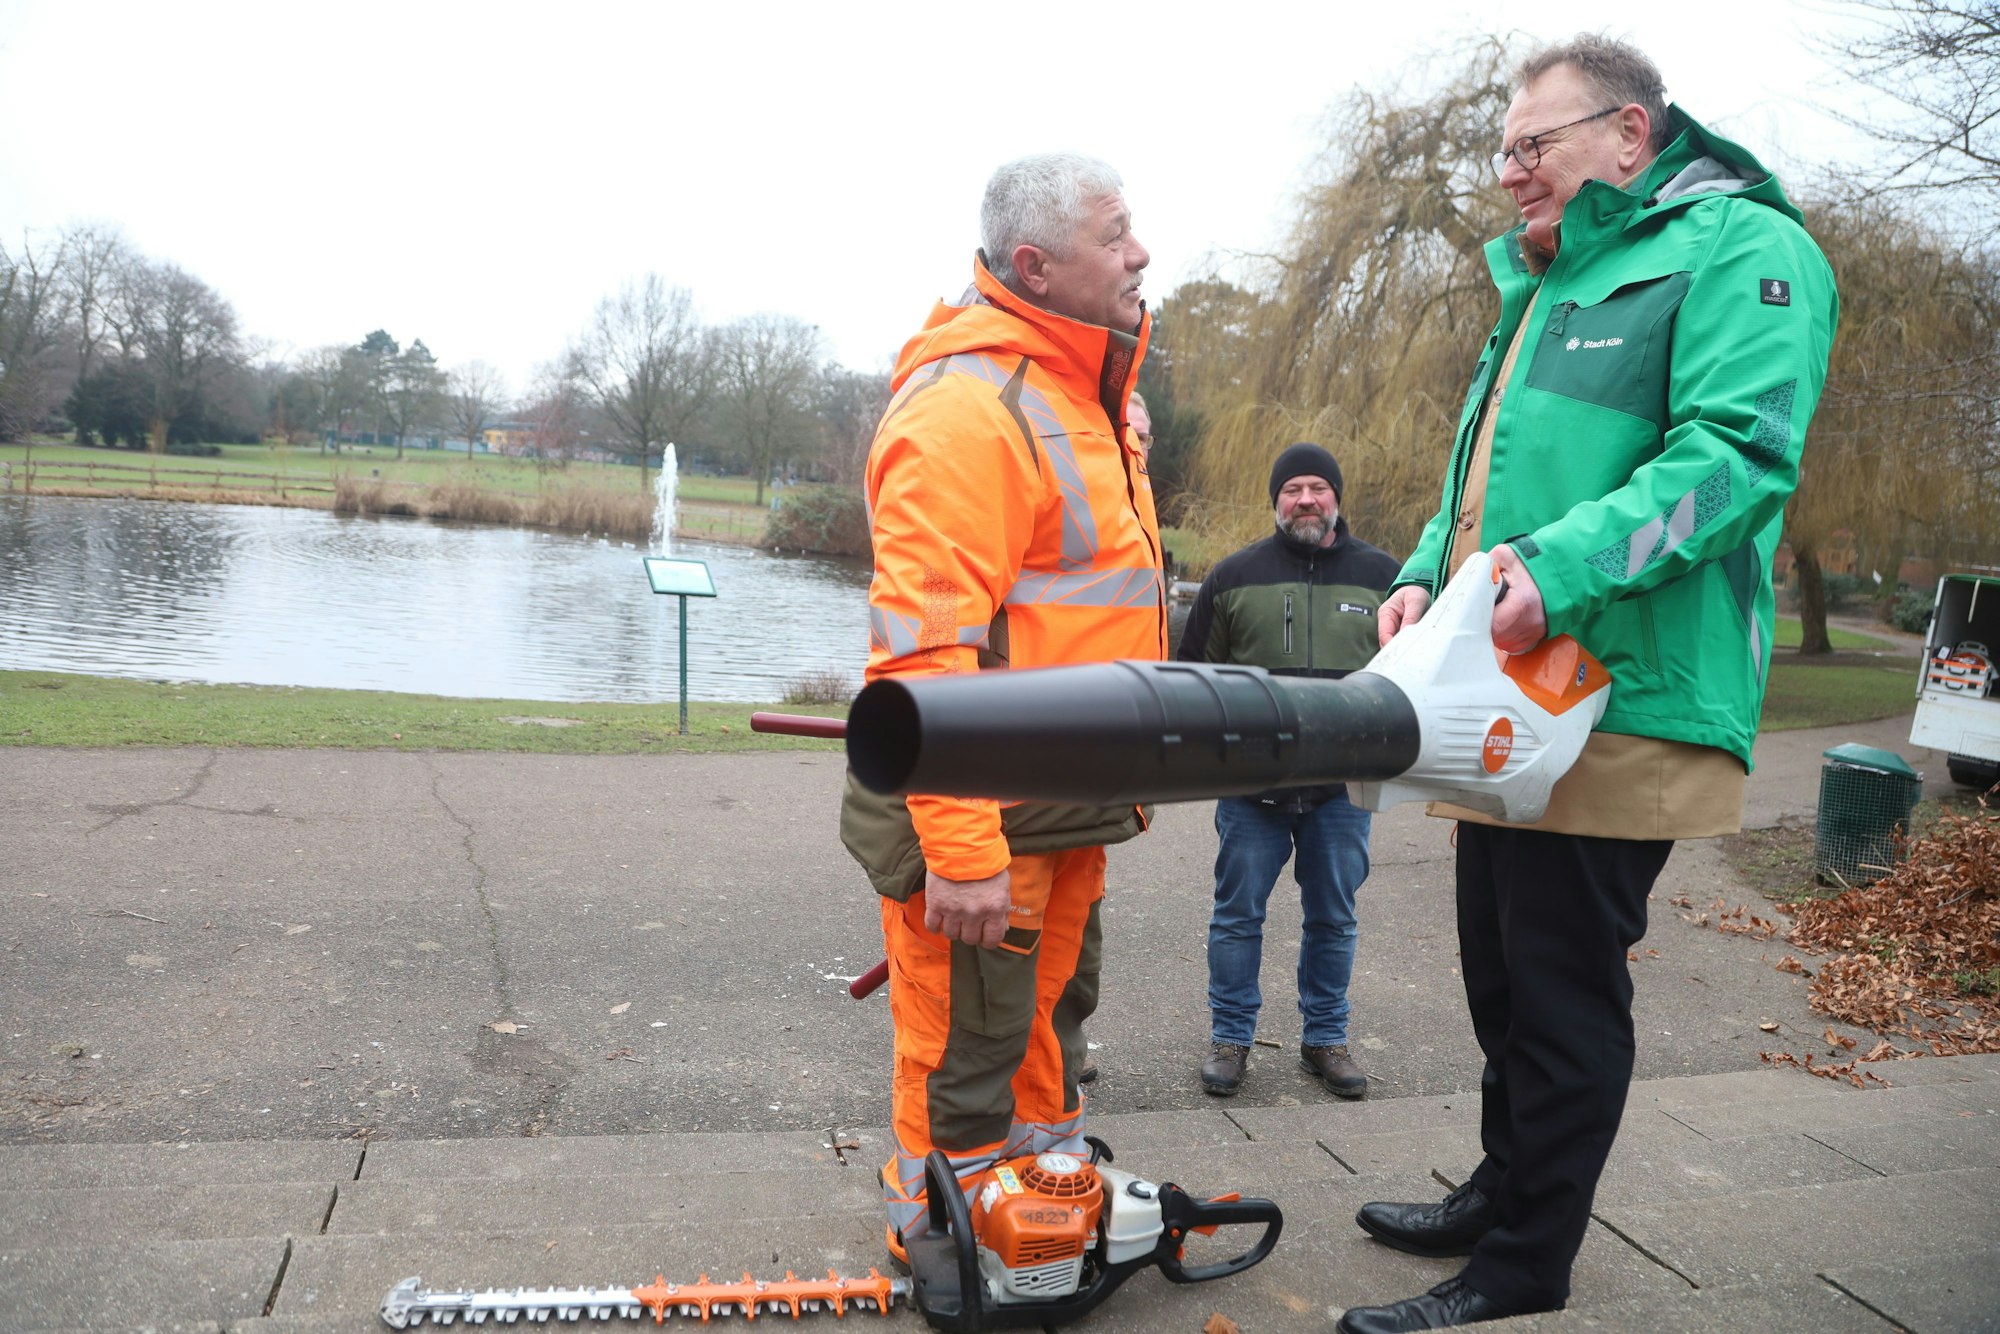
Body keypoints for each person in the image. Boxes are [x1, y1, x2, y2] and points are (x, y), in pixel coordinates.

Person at [1341, 36, 1837, 1333]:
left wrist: (1552, 574)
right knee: (1498, 968)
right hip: (1506, 686)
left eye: (1532, 145)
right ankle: (1503, 1189)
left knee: (1561, 986)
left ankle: (1525, 1262)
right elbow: (1493, 477)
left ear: (1630, 134)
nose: (1510, 174)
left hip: (1626, 694)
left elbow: (1736, 461)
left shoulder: (1742, 251)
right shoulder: (1557, 277)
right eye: (1503, 150)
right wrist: (1416, 570)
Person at [839, 152, 1163, 1263]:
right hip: (983, 822)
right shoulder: (966, 410)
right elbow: (923, 654)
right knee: (963, 1047)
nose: (1139, 253)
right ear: (1034, 263)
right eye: (1114, 234)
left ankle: (1035, 1209)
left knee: (1048, 1019)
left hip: (1065, 808)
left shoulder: (1085, 396)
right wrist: (962, 847)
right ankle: (944, 1234)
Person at [1176, 442, 1399, 1100]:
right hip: (1253, 792)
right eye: (1292, 489)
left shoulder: (1386, 577)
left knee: (1333, 917)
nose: (1306, 499)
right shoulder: (1233, 577)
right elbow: (1195, 678)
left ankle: (1325, 1039)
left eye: (1318, 488)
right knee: (1237, 916)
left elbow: (1414, 676)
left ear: (1337, 497)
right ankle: (1231, 1039)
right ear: (1276, 501)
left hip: (1342, 792)